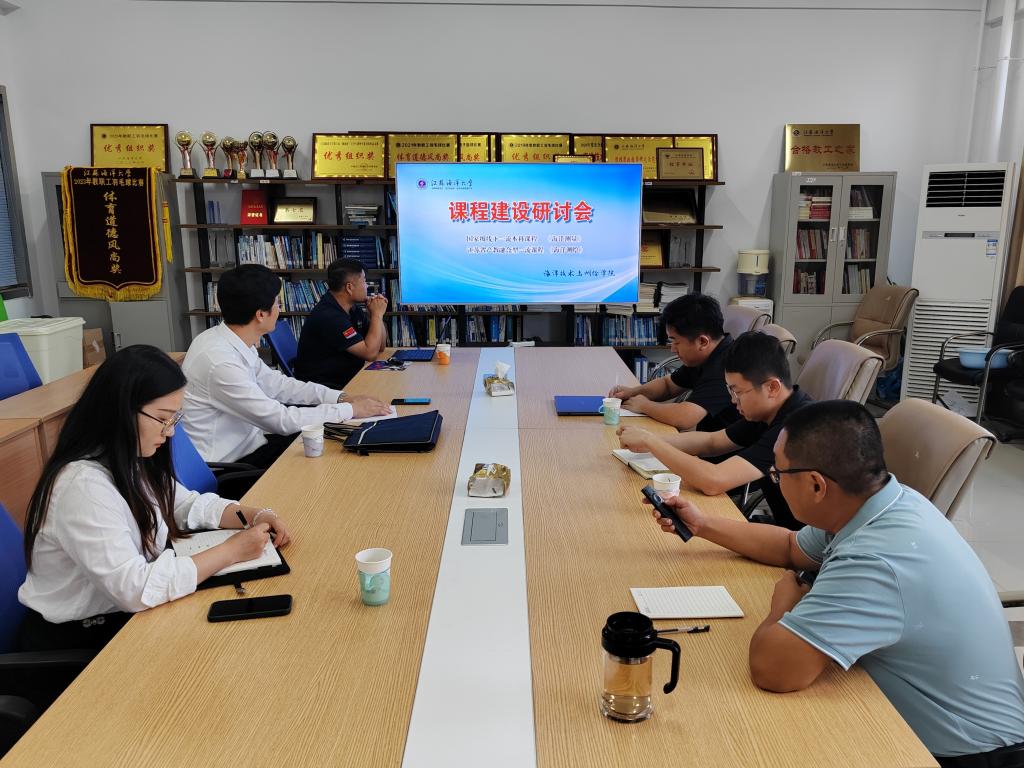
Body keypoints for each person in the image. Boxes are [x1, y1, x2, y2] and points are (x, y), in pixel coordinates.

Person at [648, 400, 1024, 767]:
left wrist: (784, 604)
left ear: (816, 485)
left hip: (965, 753)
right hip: (926, 718)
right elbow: (790, 546)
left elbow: (773, 670)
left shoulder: (875, 560)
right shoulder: (885, 502)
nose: (775, 480)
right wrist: (702, 524)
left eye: (779, 473)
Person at [18, 346, 292, 652]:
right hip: (79, 639)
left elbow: (183, 504)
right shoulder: (82, 487)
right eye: (163, 419)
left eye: (174, 419)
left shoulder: (127, 459)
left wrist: (253, 514)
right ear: (121, 411)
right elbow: (133, 589)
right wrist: (230, 551)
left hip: (126, 615)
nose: (170, 432)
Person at [182, 264, 390, 467]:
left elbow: (277, 384)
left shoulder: (230, 340)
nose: (279, 309)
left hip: (254, 443)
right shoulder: (219, 362)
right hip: (233, 463)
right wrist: (350, 410)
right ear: (260, 314)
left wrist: (340, 398)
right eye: (276, 303)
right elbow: (280, 420)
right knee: (337, 460)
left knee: (338, 443)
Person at [618, 331, 812, 529]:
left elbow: (714, 480)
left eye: (738, 391)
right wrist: (647, 439)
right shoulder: (769, 410)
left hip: (800, 540)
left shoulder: (795, 428)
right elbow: (711, 442)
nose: (733, 400)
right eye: (730, 390)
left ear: (772, 387)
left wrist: (651, 442)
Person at [608, 294, 739, 431]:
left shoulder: (727, 366)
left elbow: (685, 417)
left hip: (722, 443)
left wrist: (644, 406)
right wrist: (632, 392)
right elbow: (668, 385)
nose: (672, 349)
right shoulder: (706, 355)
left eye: (676, 342)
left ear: (702, 342)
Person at [294, 258, 388, 390]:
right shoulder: (330, 316)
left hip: (346, 378)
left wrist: (376, 315)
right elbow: (370, 354)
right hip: (326, 388)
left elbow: (380, 346)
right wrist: (377, 315)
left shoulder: (352, 308)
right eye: (364, 281)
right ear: (349, 287)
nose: (367, 286)